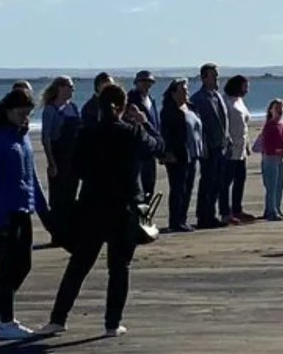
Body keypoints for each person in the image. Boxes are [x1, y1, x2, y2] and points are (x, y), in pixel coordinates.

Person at [38, 84, 165, 339]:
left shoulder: (87, 134)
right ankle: (111, 323)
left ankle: (58, 319)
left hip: (93, 206)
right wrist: (143, 121)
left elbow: (75, 171)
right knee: (119, 267)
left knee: (79, 265)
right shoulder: (132, 132)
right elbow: (158, 147)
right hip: (125, 209)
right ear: (121, 107)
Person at [0, 89, 50, 340]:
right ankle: (7, 321)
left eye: (28, 114)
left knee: (24, 264)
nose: (25, 118)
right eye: (21, 113)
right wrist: (0, 220)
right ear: (8, 111)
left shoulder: (23, 137)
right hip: (2, 210)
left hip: (23, 207)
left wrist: (43, 209)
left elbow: (32, 176)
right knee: (8, 266)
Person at [41, 76, 81, 248]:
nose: (72, 90)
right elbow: (46, 138)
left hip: (74, 158)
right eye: (70, 87)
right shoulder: (50, 110)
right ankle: (57, 234)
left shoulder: (73, 107)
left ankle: (70, 232)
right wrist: (51, 162)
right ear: (60, 88)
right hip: (59, 156)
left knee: (71, 196)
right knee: (58, 198)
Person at [159, 79, 202, 232]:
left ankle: (182, 219)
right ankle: (175, 221)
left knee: (188, 187)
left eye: (186, 90)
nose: (186, 92)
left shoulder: (191, 107)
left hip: (193, 153)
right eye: (182, 90)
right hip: (177, 155)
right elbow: (165, 134)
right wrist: (167, 153)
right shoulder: (168, 111)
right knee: (178, 188)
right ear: (173, 93)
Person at [190, 64, 229, 228]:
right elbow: (198, 126)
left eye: (217, 76)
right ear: (204, 78)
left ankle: (211, 214)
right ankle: (203, 216)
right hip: (208, 147)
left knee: (218, 182)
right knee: (207, 181)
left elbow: (222, 120)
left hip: (221, 146)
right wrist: (203, 146)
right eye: (213, 76)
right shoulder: (198, 99)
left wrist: (227, 139)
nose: (216, 79)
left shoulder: (217, 96)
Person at [222, 75, 254, 223]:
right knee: (226, 181)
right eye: (245, 86)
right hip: (230, 148)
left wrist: (247, 144)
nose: (247, 90)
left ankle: (237, 209)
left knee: (240, 179)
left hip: (241, 147)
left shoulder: (240, 101)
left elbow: (245, 125)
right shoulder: (226, 101)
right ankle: (225, 212)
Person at [126, 71, 162, 199]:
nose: (147, 85)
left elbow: (156, 123)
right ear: (136, 83)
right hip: (138, 148)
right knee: (139, 187)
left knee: (150, 185)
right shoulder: (131, 99)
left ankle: (146, 215)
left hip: (151, 147)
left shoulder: (151, 100)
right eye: (143, 81)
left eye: (149, 82)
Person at [259, 100, 283, 221]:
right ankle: (271, 211)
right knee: (271, 186)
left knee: (280, 184)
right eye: (277, 108)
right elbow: (266, 145)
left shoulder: (282, 124)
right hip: (271, 158)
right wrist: (276, 151)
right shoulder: (269, 125)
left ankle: (277, 208)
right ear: (271, 110)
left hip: (281, 158)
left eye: (281, 108)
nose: (280, 110)